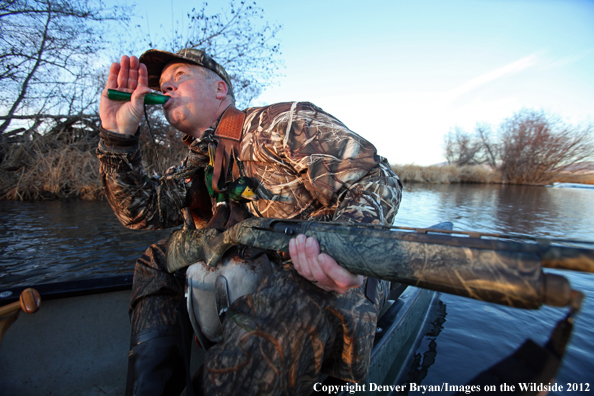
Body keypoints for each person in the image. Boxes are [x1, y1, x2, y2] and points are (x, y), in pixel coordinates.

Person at [97, 48, 403, 396]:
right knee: (155, 261)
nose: (165, 89)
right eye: (161, 85)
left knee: (283, 307)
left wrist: (344, 248)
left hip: (321, 281)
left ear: (219, 89)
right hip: (248, 279)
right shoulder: (195, 165)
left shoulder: (283, 123)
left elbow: (375, 180)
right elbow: (138, 212)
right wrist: (117, 137)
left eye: (178, 77)